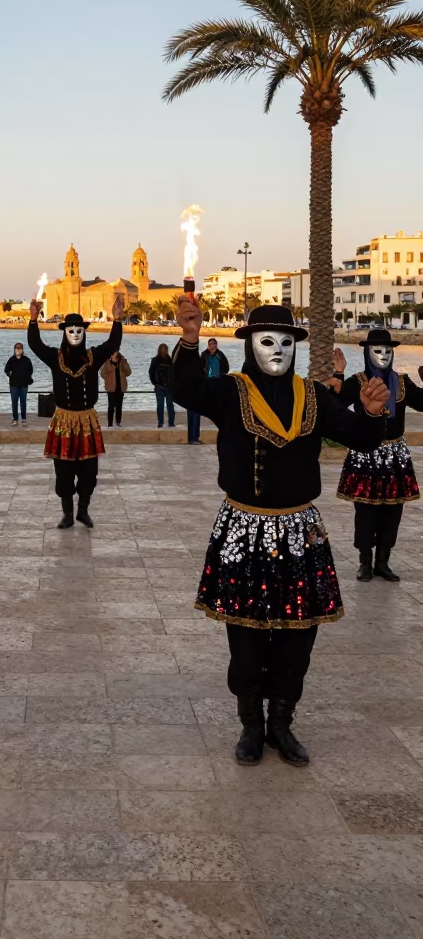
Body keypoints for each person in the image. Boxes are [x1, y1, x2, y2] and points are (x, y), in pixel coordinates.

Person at [170, 299, 389, 768]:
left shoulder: (315, 396)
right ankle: (251, 724)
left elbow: (360, 436)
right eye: (267, 341)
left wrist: (372, 414)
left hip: (299, 532)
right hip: (243, 527)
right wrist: (189, 340)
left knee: (299, 635)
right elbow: (184, 389)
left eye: (286, 343)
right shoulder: (230, 391)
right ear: (249, 345)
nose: (277, 350)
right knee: (245, 635)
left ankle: (282, 723)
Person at [332, 332, 423, 582]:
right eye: (377, 351)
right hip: (366, 453)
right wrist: (338, 373)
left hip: (396, 455)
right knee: (365, 508)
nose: (383, 356)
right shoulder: (357, 381)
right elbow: (335, 404)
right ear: (366, 353)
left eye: (388, 351)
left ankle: (383, 562)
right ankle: (365, 562)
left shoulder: (403, 383)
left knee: (393, 508)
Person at [28, 294, 125, 528]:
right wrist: (33, 320)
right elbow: (35, 345)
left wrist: (118, 319)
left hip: (87, 421)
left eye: (78, 331)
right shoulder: (55, 357)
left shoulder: (93, 357)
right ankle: (67, 514)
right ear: (64, 333)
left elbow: (113, 343)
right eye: (70, 331)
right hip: (63, 420)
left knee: (89, 471)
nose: (74, 335)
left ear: (84, 332)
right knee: (63, 470)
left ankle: (83, 510)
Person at [188, 337, 231, 444]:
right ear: (208, 345)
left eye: (214, 344)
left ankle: (226, 436)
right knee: (196, 411)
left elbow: (226, 367)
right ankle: (193, 438)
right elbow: (200, 368)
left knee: (222, 409)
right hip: (206, 383)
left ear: (216, 345)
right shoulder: (204, 355)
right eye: (211, 344)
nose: (213, 346)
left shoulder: (220, 355)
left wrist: (222, 376)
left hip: (218, 384)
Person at [100, 349, 132, 427]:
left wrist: (124, 364)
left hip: (120, 387)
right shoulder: (108, 362)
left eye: (116, 351)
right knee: (111, 406)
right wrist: (108, 379)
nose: (115, 353)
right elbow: (103, 374)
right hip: (111, 388)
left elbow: (128, 372)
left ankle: (118, 422)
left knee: (119, 406)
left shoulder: (122, 361)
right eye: (114, 352)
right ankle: (110, 424)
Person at [5, 342, 34, 426]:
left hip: (24, 385)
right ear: (14, 349)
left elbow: (30, 370)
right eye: (17, 348)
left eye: (20, 348)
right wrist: (9, 374)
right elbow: (6, 369)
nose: (18, 350)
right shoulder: (11, 360)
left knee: (23, 402)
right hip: (14, 385)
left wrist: (27, 377)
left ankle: (24, 419)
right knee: (14, 402)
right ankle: (15, 419)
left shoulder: (27, 360)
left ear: (22, 349)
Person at [149, 343, 176, 428]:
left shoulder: (170, 361)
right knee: (160, 405)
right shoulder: (155, 360)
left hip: (169, 387)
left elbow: (174, 374)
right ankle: (160, 423)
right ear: (159, 350)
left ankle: (171, 423)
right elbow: (151, 373)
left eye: (165, 349)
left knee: (170, 405)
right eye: (162, 349)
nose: (164, 351)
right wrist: (155, 383)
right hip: (159, 387)